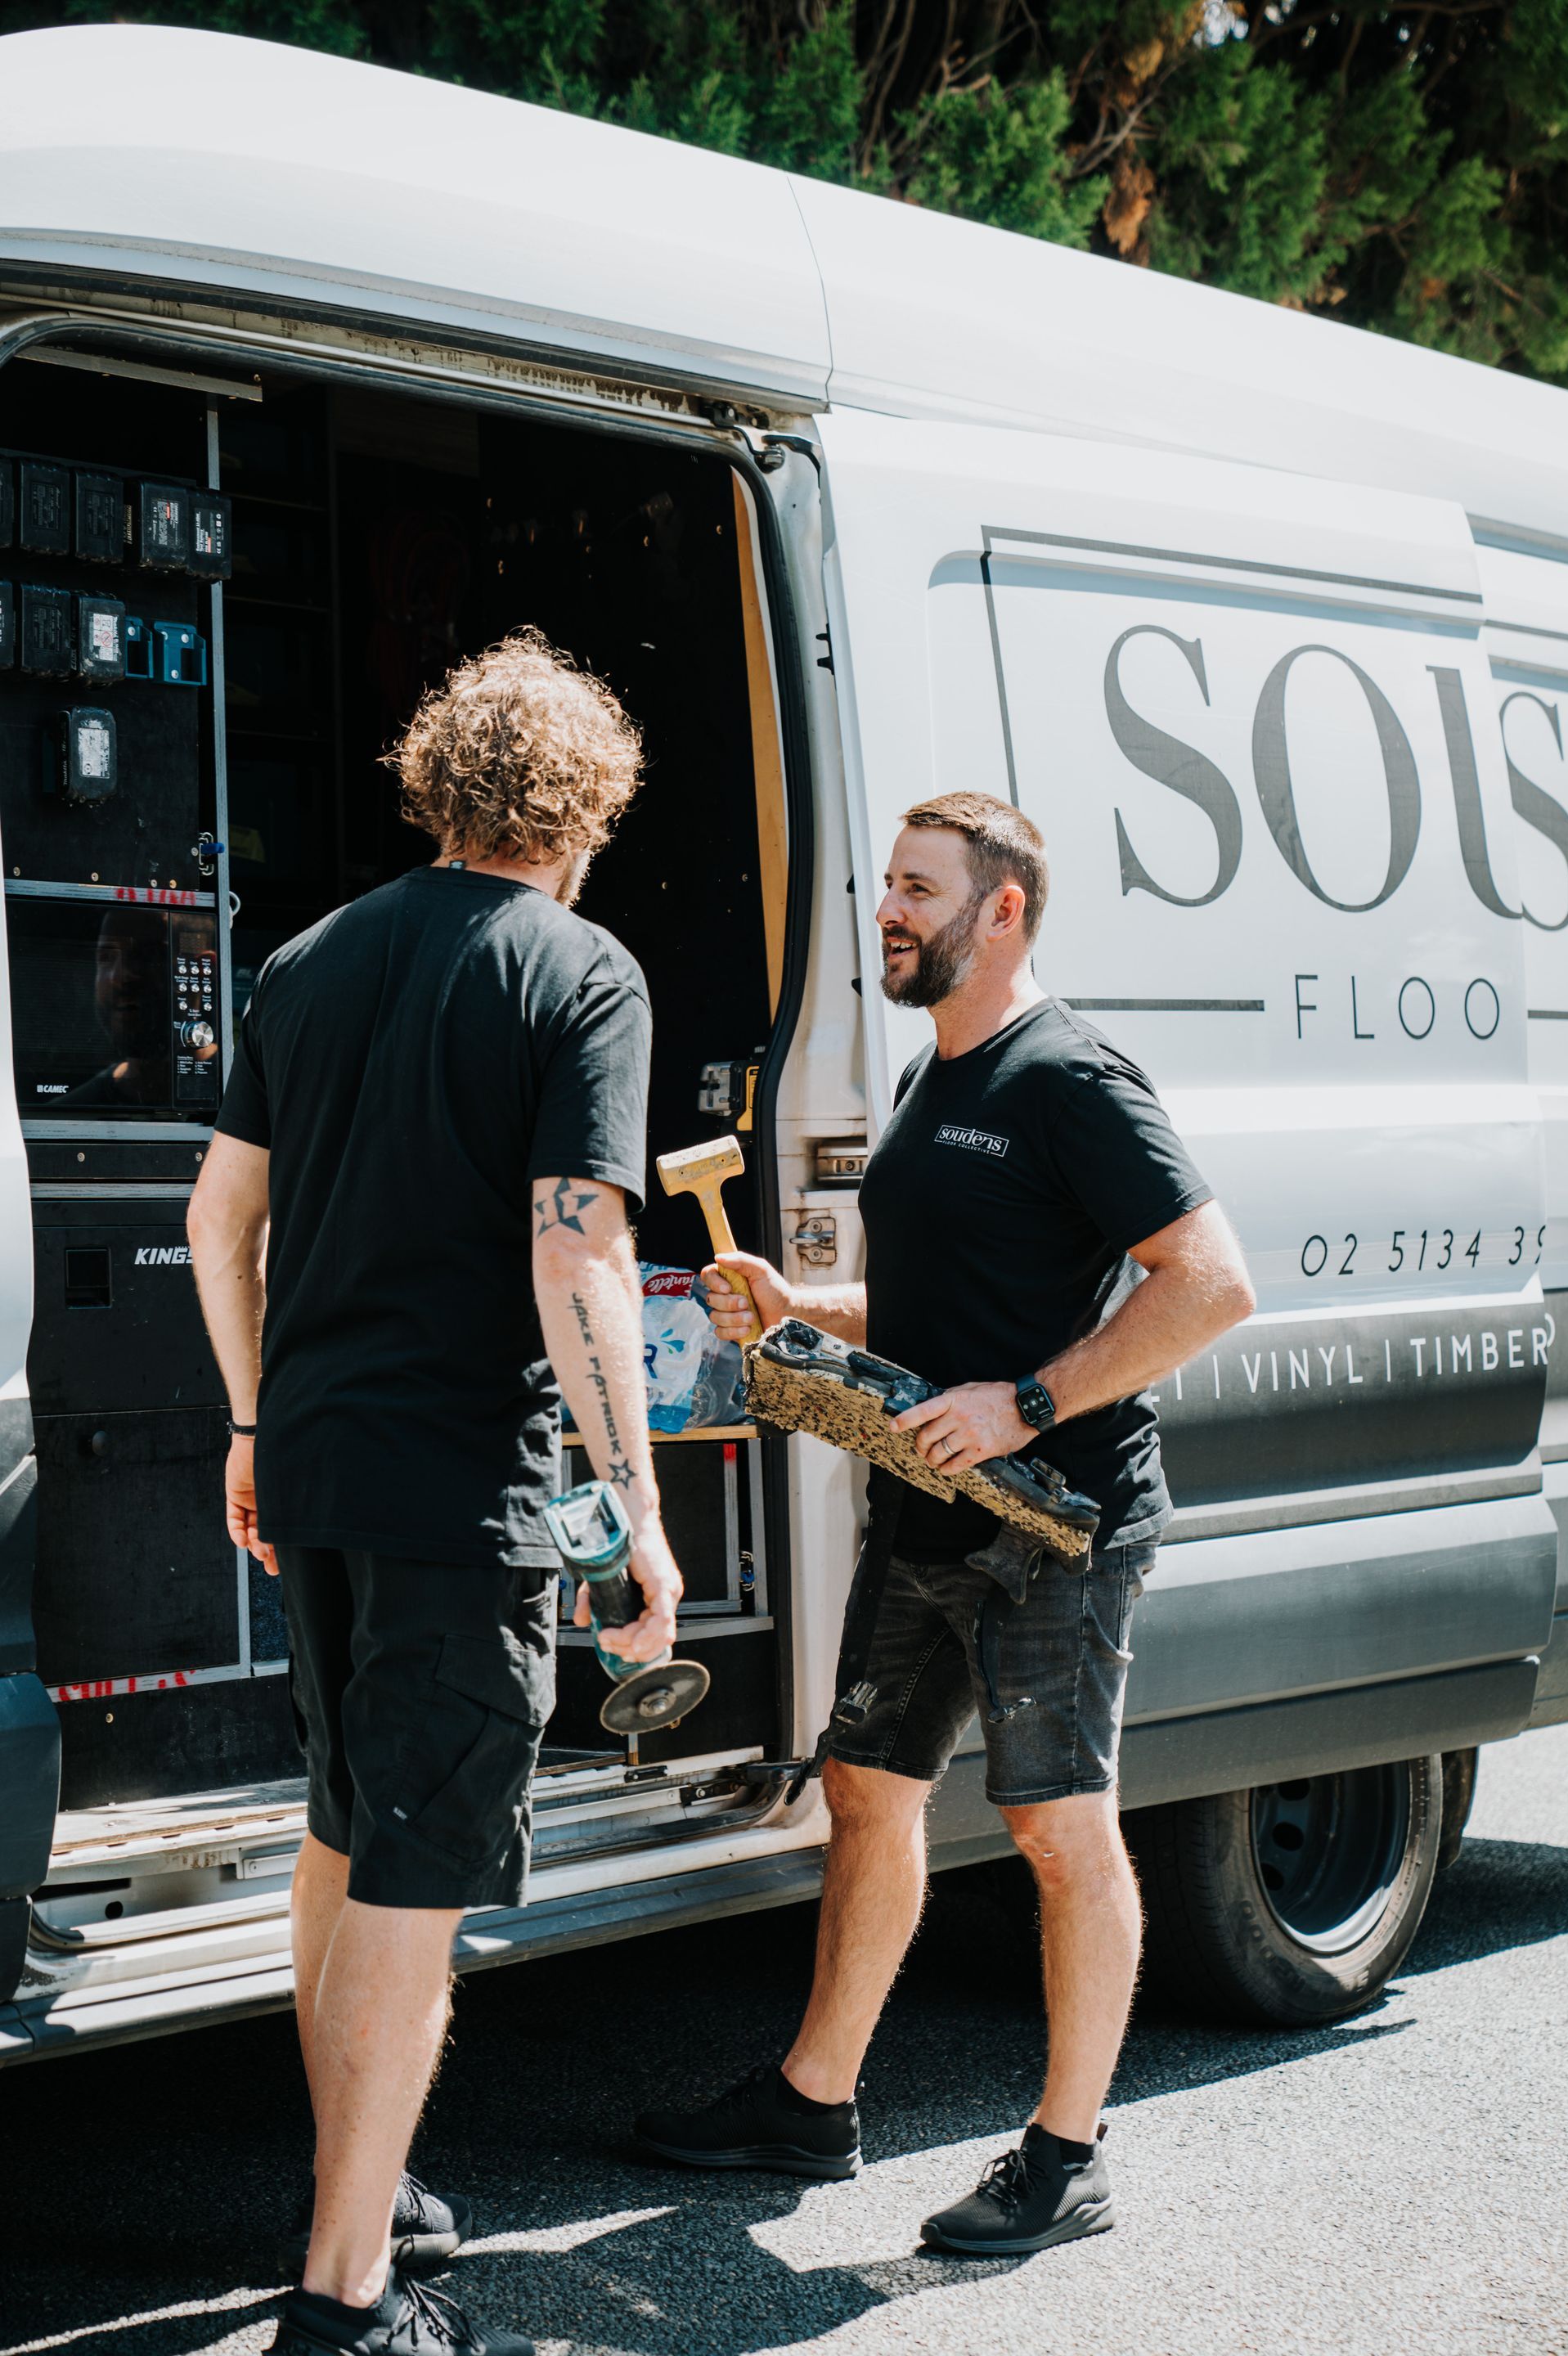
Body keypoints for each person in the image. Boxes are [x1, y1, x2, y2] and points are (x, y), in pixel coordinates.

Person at [633, 789, 1254, 2256]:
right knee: (866, 1787)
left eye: (918, 889)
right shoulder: (936, 1076)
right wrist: (806, 1308)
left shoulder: (1072, 1079)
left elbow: (1211, 1284)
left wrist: (1024, 1406)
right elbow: (925, 1314)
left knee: (1055, 1823)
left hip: (1054, 1514)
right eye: (890, 887)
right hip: (927, 1500)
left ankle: (1068, 2153)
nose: (890, 911)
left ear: (1005, 909)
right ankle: (812, 2099)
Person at [188, 629, 682, 2356]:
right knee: (416, 1875)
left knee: (344, 1826)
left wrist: (255, 1427)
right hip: (462, 1485)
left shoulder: (308, 959)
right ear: (586, 808)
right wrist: (636, 1508)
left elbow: (214, 1224)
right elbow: (580, 1258)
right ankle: (344, 2301)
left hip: (314, 1469)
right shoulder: (583, 975)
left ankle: (365, 2188)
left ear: (442, 787)